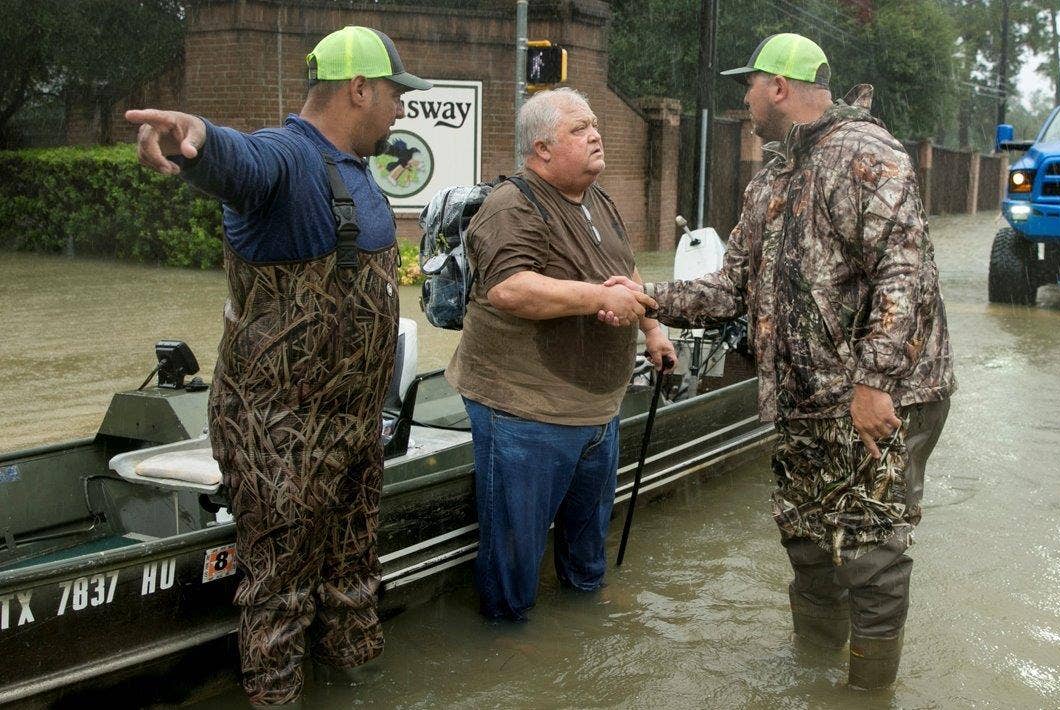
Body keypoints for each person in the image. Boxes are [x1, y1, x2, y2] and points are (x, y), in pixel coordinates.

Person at [604, 33, 955, 690]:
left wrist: (873, 383)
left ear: (778, 88)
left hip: (880, 398)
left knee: (871, 548)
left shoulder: (868, 155)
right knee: (808, 543)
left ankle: (866, 695)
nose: (744, 98)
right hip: (802, 403)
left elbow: (904, 273)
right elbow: (728, 287)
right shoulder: (771, 177)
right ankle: (813, 674)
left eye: (749, 85)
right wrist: (644, 297)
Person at [125, 25, 430, 708]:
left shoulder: (354, 171)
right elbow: (237, 160)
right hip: (279, 434)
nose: (401, 109)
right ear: (358, 90)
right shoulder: (286, 162)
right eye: (394, 94)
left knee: (353, 577)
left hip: (352, 429)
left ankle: (363, 689)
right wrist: (189, 136)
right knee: (280, 600)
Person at [446, 87, 674, 622]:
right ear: (541, 149)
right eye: (579, 129)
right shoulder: (511, 207)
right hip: (525, 412)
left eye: (594, 124)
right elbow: (509, 288)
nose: (596, 135)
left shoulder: (597, 198)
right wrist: (599, 297)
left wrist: (652, 327)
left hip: (598, 411)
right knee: (515, 556)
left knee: (588, 548)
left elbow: (624, 266)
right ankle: (509, 649)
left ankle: (583, 626)